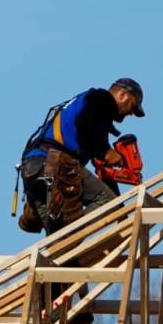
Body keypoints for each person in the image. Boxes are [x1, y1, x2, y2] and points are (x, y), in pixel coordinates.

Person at [18, 78, 145, 235]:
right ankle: (70, 235)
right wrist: (107, 152)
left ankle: (35, 209)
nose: (130, 113)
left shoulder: (89, 110)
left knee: (58, 239)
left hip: (34, 169)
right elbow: (85, 124)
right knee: (108, 204)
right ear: (123, 94)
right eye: (132, 106)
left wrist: (121, 210)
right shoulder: (102, 99)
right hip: (54, 165)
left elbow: (101, 172)